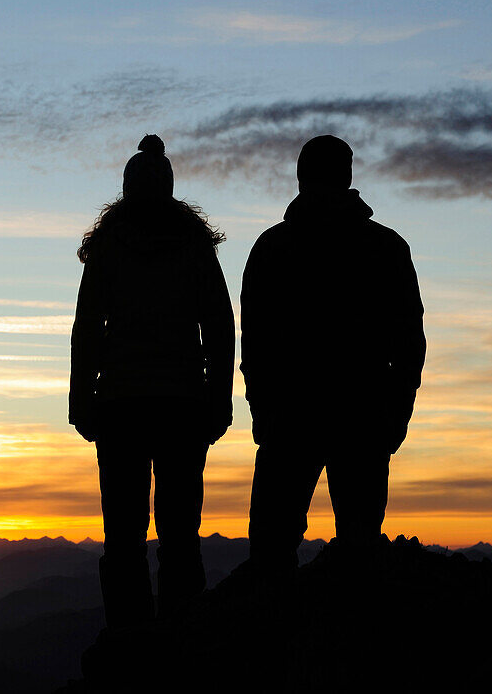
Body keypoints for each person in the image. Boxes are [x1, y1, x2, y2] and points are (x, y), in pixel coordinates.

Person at [241, 135, 426, 577]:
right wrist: (396, 413)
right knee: (356, 554)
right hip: (359, 417)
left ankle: (274, 641)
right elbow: (409, 342)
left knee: (272, 554)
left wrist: (263, 408)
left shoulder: (272, 248)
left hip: (296, 418)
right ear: (347, 176)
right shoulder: (386, 247)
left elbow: (254, 344)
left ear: (301, 176)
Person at [70, 134, 234, 628]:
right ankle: (181, 641)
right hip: (183, 404)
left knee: (123, 536)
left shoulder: (108, 245)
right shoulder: (194, 244)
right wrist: (218, 401)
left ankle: (129, 645)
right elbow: (220, 326)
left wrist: (83, 401)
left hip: (121, 405)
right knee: (180, 533)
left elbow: (87, 329)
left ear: (126, 187)